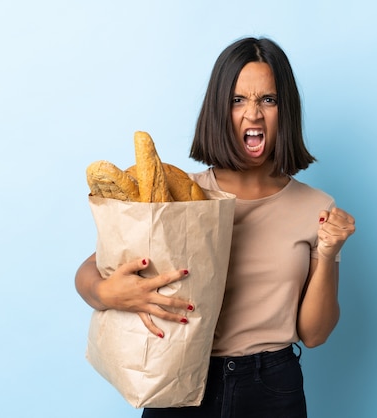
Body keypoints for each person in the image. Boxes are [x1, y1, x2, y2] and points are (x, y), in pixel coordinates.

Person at [75, 37, 356, 418]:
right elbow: (89, 272)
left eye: (268, 100)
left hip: (271, 387)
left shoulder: (316, 208)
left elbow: (315, 334)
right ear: (218, 110)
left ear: (284, 110)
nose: (253, 114)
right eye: (238, 100)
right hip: (179, 378)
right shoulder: (182, 194)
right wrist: (108, 292)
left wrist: (328, 252)